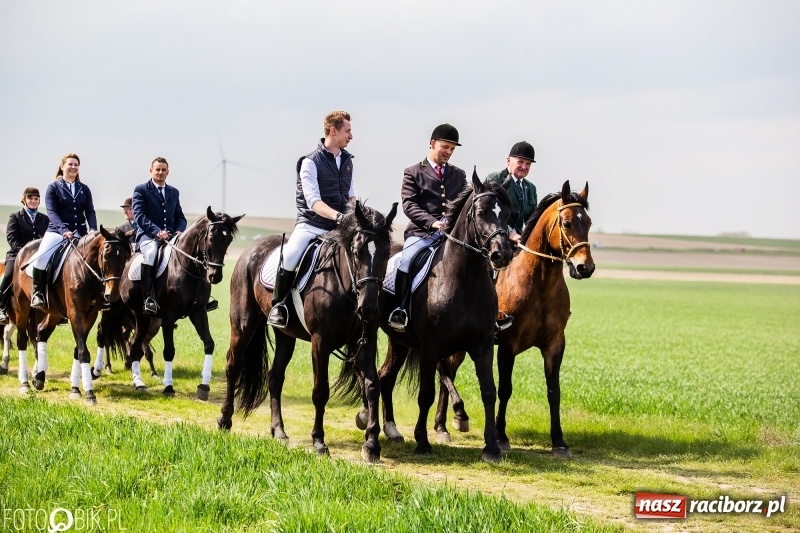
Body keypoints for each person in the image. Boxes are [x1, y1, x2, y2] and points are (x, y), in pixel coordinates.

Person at [267, 110, 355, 328]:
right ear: (333, 131)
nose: (351, 136)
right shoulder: (310, 162)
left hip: (339, 226)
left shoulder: (347, 161)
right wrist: (339, 216)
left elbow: (351, 196)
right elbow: (313, 202)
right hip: (311, 225)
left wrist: (356, 215)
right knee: (290, 256)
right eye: (348, 131)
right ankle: (279, 305)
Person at [387, 123, 467, 332]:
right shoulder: (413, 172)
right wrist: (432, 222)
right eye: (445, 147)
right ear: (432, 143)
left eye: (452, 149)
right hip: (422, 233)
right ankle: (401, 308)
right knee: (406, 260)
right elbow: (409, 205)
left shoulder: (459, 175)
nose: (449, 152)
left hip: (451, 235)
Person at [30, 153, 97, 309]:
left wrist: (93, 229)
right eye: (70, 164)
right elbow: (52, 212)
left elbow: (90, 211)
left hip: (80, 232)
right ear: (62, 166)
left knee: (96, 257)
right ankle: (38, 292)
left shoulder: (84, 189)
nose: (73, 167)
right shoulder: (53, 188)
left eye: (76, 165)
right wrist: (64, 230)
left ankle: (99, 294)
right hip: (57, 231)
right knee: (41, 258)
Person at [132, 157, 187, 315]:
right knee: (151, 253)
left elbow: (180, 217)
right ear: (151, 171)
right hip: (148, 236)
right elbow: (139, 216)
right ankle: (147, 298)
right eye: (157, 169)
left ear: (168, 172)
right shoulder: (141, 190)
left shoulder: (173, 192)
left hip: (171, 236)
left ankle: (200, 297)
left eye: (163, 170)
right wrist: (157, 231)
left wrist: (179, 231)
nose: (160, 172)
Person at [0, 187, 50, 324]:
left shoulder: (44, 219)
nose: (33, 201)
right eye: (30, 198)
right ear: (24, 199)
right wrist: (24, 253)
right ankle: (1, 307)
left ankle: (55, 310)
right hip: (17, 255)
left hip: (39, 256)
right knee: (8, 275)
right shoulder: (15, 217)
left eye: (36, 199)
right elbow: (11, 238)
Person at [486, 141, 538, 244]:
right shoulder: (495, 179)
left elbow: (532, 220)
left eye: (528, 164)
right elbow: (488, 213)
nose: (524, 167)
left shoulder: (531, 188)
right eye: (520, 162)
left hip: (519, 240)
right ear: (508, 161)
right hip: (496, 239)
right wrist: (509, 232)